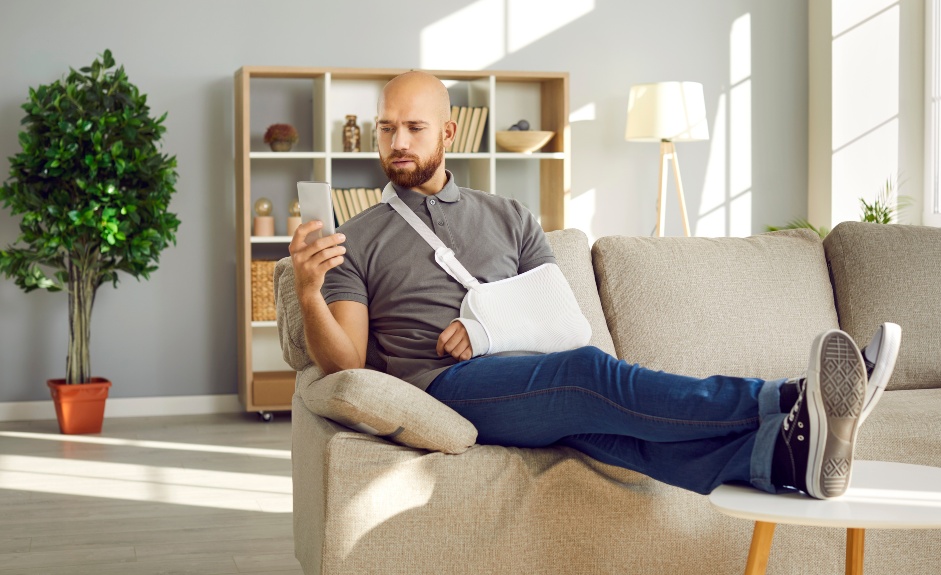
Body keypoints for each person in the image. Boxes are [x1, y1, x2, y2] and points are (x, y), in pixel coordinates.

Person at [288, 71, 902, 500]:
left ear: (448, 135)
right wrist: (310, 291)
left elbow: (562, 317)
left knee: (613, 434)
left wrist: (486, 330)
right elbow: (348, 363)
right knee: (586, 371)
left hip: (528, 376)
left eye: (414, 128)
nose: (397, 143)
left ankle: (785, 459)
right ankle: (787, 398)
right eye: (386, 128)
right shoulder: (352, 238)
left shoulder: (510, 216)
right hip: (444, 386)